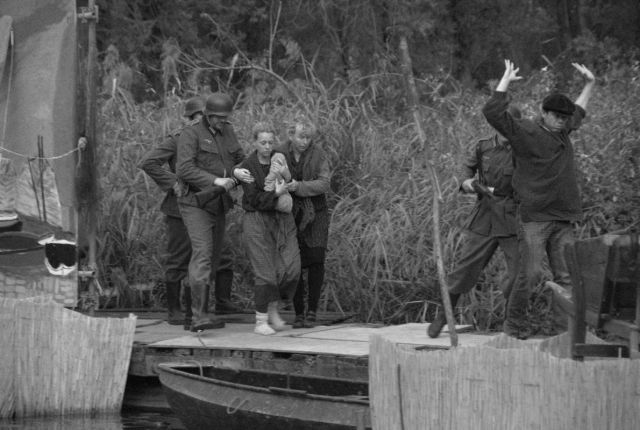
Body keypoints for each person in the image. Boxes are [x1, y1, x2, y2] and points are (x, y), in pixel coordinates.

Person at [482, 59, 596, 339]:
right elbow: (493, 113)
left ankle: (564, 334)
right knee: (529, 275)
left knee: (567, 277)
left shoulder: (564, 131)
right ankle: (515, 327)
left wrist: (590, 84)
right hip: (535, 218)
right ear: (543, 113)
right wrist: (505, 80)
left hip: (563, 218)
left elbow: (578, 110)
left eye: (564, 117)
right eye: (556, 115)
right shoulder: (526, 131)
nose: (561, 120)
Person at [139, 97, 243, 329]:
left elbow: (233, 158)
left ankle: (198, 312)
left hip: (213, 201)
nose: (199, 120)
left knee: (214, 257)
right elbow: (150, 162)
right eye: (195, 116)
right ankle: (177, 310)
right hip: (182, 205)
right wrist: (173, 183)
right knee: (180, 258)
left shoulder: (222, 135)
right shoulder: (180, 138)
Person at [428, 107, 522, 338]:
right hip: (485, 217)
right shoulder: (483, 146)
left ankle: (514, 324)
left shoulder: (524, 150)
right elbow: (466, 167)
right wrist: (466, 182)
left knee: (519, 274)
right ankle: (444, 316)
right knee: (463, 270)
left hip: (512, 218)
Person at [175, 92, 249, 332]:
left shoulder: (228, 131)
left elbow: (240, 157)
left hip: (218, 203)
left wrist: (243, 171)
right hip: (196, 202)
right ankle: (197, 317)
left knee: (214, 258)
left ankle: (202, 313)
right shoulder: (191, 133)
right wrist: (216, 180)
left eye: (225, 117)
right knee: (203, 255)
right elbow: (185, 168)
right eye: (218, 117)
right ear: (208, 114)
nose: (222, 122)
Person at [236, 121, 301, 335]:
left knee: (289, 268)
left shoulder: (279, 159)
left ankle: (274, 311)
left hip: (281, 219)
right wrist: (275, 193)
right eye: (262, 142)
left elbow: (291, 181)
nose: (267, 146)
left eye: (270, 142)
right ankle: (260, 321)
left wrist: (288, 182)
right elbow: (254, 199)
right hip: (256, 220)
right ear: (254, 142)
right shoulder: (247, 166)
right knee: (265, 271)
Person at [280, 119, 332, 329]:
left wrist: (299, 186)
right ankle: (298, 313)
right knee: (295, 263)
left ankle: (312, 311)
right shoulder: (280, 153)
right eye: (301, 137)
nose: (304, 142)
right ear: (291, 135)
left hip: (316, 212)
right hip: (290, 212)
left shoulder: (318, 154)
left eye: (308, 137)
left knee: (317, 259)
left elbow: (324, 183)